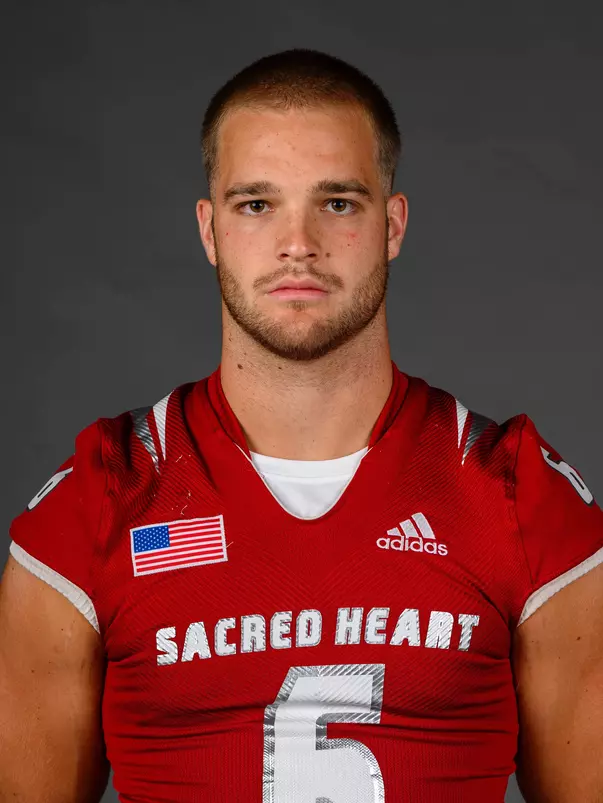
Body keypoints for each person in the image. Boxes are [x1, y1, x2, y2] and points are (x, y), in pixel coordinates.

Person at [1, 48, 602, 803]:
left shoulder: (517, 494)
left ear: (391, 224)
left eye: (338, 203)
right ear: (209, 229)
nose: (298, 244)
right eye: (256, 204)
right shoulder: (97, 498)